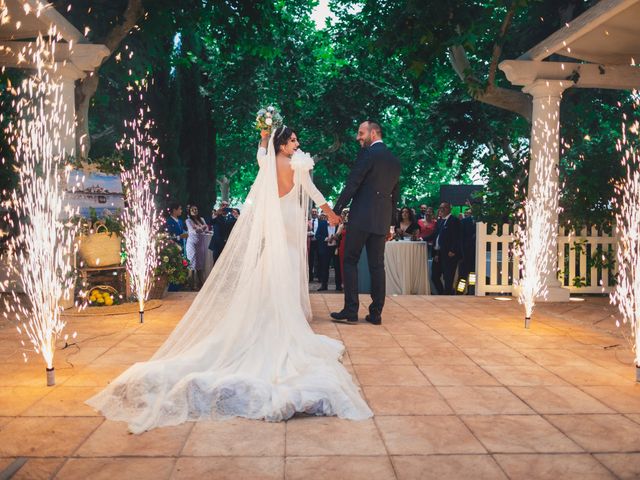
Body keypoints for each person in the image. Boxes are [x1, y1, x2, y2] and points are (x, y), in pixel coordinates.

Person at [87, 125, 372, 433]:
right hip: (289, 225)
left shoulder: (267, 163)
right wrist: (330, 214)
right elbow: (314, 193)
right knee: (285, 270)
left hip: (277, 225)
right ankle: (281, 323)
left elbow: (261, 155)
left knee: (270, 270)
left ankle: (269, 317)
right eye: (292, 140)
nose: (297, 144)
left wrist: (263, 136)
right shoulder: (297, 164)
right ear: (283, 143)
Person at [331, 121, 401, 326]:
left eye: (361, 133)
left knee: (350, 260)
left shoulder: (368, 154)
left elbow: (353, 183)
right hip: (381, 221)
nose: (358, 137)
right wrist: (391, 225)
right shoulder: (394, 161)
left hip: (361, 218)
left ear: (373, 132)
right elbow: (394, 196)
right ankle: (376, 313)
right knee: (377, 266)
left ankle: (351, 311)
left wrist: (336, 211)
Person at [429, 202, 461, 295]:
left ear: (450, 209)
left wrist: (453, 250)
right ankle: (443, 294)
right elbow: (435, 235)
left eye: (444, 207)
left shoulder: (455, 220)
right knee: (434, 276)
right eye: (440, 207)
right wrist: (421, 238)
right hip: (438, 254)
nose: (441, 209)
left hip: (449, 254)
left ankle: (447, 296)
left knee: (448, 278)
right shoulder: (440, 221)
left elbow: (458, 237)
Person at [185, 205, 208, 291]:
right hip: (192, 244)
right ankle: (192, 284)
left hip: (200, 244)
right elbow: (193, 231)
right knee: (192, 263)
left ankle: (201, 283)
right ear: (189, 212)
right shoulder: (188, 220)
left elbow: (206, 229)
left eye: (196, 209)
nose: (194, 210)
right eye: (192, 209)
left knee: (200, 263)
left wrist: (199, 228)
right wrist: (201, 228)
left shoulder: (201, 219)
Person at [460, 207, 476, 285]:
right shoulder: (464, 221)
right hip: (465, 253)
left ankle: (471, 291)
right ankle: (460, 292)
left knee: (473, 274)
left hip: (476, 253)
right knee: (462, 276)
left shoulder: (483, 222)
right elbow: (460, 238)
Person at [315, 213, 330, 291]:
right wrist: (325, 238)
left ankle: (338, 286)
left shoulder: (338, 224)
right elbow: (317, 235)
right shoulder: (322, 224)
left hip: (335, 249)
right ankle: (324, 285)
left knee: (337, 268)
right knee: (324, 267)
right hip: (325, 248)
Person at [307, 208, 319, 281]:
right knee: (310, 259)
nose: (314, 213)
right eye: (313, 212)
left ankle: (318, 276)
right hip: (310, 242)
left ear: (317, 213)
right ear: (311, 213)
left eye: (315, 212)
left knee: (319, 259)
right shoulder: (308, 221)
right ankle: (310, 276)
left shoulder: (320, 222)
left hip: (318, 242)